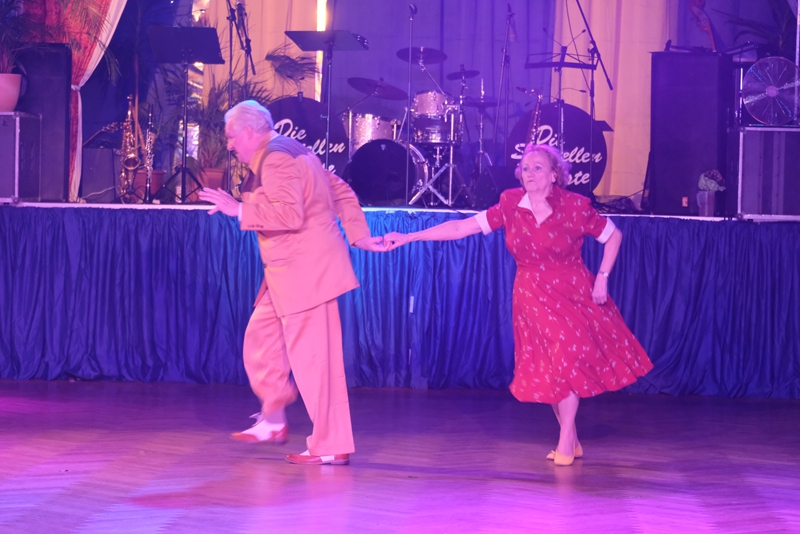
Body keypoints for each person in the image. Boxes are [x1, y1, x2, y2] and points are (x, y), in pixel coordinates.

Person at [383, 144, 653, 466]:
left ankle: (566, 440)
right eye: (526, 169)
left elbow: (614, 236)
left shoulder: (576, 206)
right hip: (531, 295)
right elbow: (461, 227)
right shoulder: (510, 203)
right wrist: (410, 237)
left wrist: (603, 277)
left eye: (538, 168)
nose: (530, 174)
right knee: (552, 365)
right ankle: (570, 437)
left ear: (555, 175)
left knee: (565, 356)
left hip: (573, 292)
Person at [198, 100, 386, 466]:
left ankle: (330, 444)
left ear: (250, 131)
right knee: (261, 340)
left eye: (232, 137)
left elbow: (289, 214)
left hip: (305, 273)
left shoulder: (277, 157)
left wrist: (238, 209)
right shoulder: (292, 151)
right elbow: (340, 190)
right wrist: (358, 235)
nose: (229, 144)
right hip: (286, 274)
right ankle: (273, 419)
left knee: (315, 363)